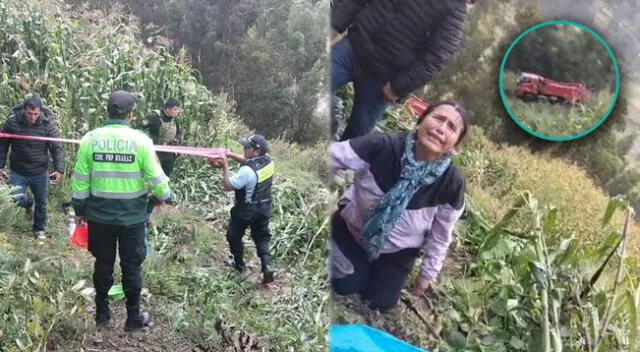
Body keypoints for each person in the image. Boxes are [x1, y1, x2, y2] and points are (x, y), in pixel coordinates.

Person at [328, 101, 469, 313]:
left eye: (451, 127)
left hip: (398, 252)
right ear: (421, 122)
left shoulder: (451, 183)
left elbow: (441, 235)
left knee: (381, 303)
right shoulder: (385, 145)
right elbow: (333, 155)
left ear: (455, 145)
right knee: (346, 284)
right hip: (353, 232)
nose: (441, 128)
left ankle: (371, 274)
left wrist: (427, 275)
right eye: (438, 118)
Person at [71, 90, 175, 331]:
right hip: (133, 218)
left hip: (99, 216)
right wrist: (165, 196)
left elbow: (80, 182)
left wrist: (79, 209)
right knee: (131, 266)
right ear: (131, 114)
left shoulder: (90, 139)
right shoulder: (141, 141)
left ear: (107, 111)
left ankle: (102, 314)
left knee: (103, 263)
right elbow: (158, 181)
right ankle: (133, 318)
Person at [329, 0, 472, 141]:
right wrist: (334, 25)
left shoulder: (454, 9)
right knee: (313, 88)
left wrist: (398, 87)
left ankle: (335, 161)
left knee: (356, 138)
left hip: (383, 79)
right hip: (353, 47)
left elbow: (436, 57)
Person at [208, 134, 275, 284]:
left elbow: (228, 186)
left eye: (247, 147)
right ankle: (267, 266)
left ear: (256, 151)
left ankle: (239, 264)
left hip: (246, 209)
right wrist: (231, 155)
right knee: (261, 237)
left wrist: (225, 165)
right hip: (264, 207)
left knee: (234, 235)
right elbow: (248, 161)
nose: (244, 149)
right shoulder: (268, 161)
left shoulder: (246, 172)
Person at [0, 96, 65, 240]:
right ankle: (29, 203)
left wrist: (59, 169)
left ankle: (39, 230)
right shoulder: (12, 122)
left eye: (36, 114)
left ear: (40, 111)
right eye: (30, 114)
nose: (33, 117)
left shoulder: (47, 125)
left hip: (39, 171)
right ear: (24, 110)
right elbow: (3, 145)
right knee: (14, 198)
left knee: (41, 202)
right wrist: (1, 165)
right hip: (19, 170)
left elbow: (56, 148)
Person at [140, 98, 182, 177]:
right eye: (175, 109)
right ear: (168, 109)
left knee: (166, 175)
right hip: (155, 152)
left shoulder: (175, 119)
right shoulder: (154, 117)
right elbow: (140, 128)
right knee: (153, 174)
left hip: (169, 152)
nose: (177, 111)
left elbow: (179, 133)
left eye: (178, 109)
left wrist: (177, 141)